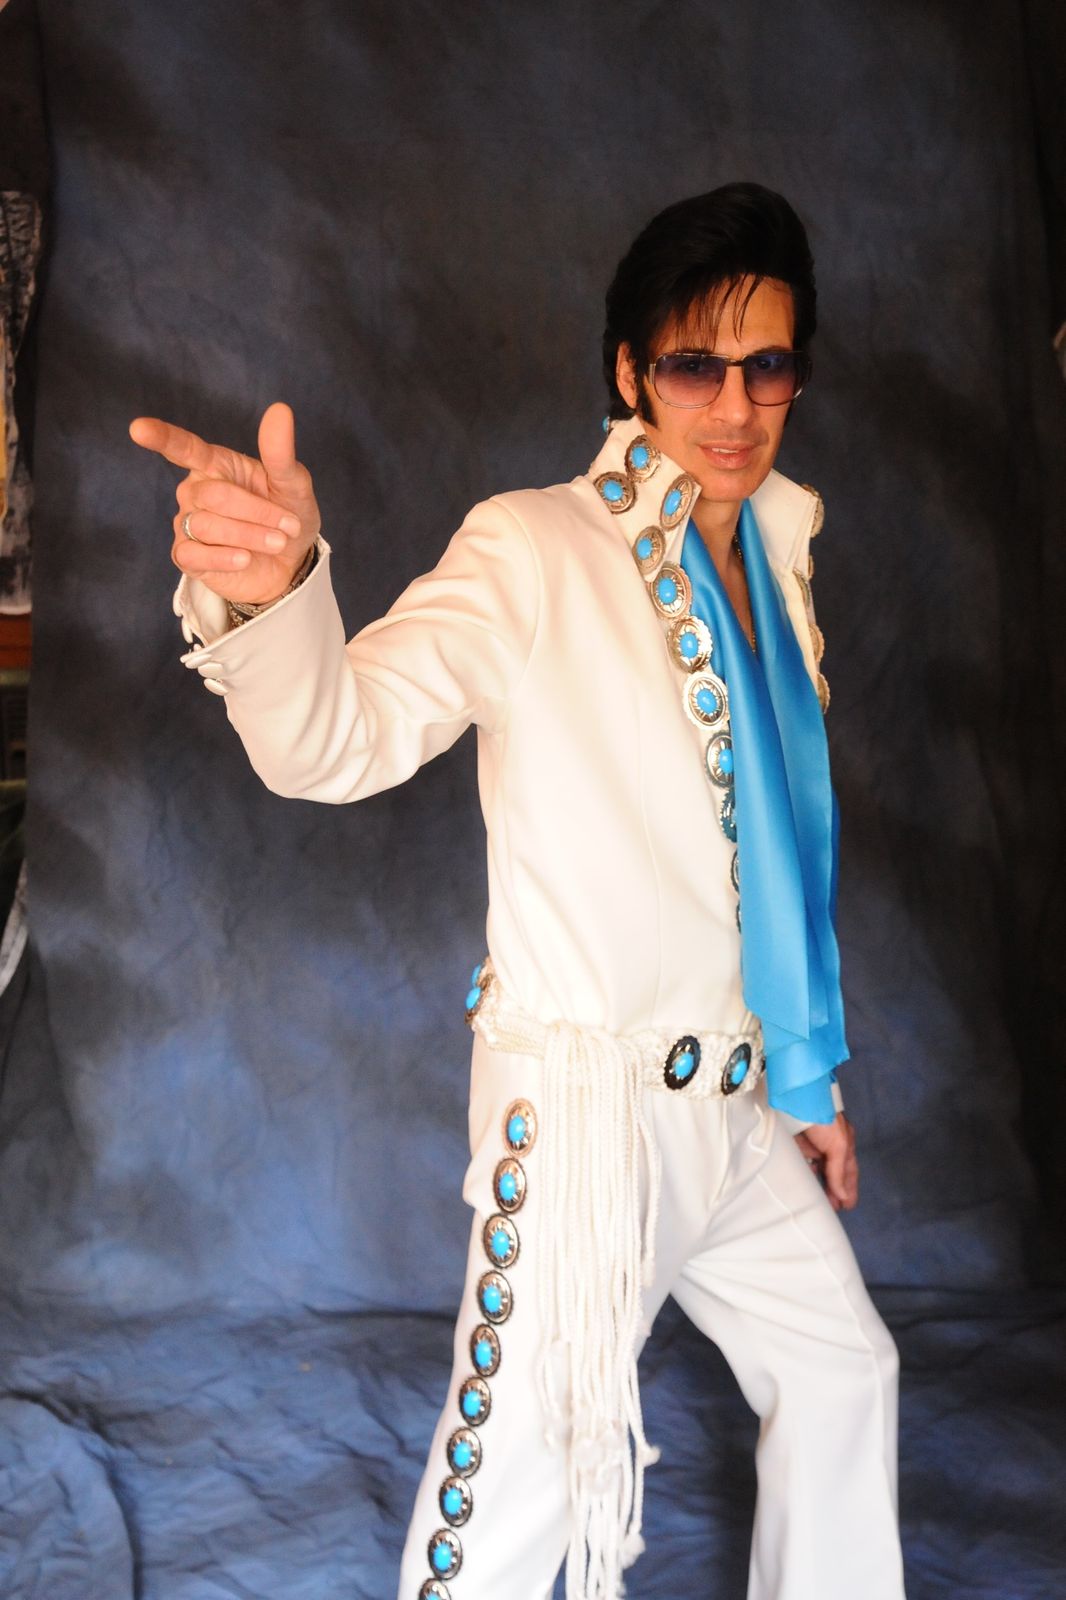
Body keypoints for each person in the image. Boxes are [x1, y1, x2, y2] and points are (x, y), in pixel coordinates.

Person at [130, 182, 907, 1600]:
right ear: (630, 372)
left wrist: (805, 1084)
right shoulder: (536, 547)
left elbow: (780, 851)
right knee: (514, 1498)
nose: (735, 406)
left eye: (768, 366)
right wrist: (278, 593)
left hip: (736, 1108)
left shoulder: (774, 554)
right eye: (695, 365)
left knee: (845, 1372)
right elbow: (336, 741)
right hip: (590, 1120)